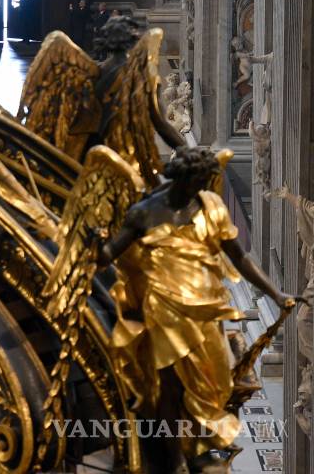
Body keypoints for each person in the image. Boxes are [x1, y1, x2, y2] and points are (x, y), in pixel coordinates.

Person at [98, 147, 303, 473]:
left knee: (214, 381)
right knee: (169, 389)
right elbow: (111, 251)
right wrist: (93, 246)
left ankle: (200, 442)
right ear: (183, 178)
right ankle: (177, 455)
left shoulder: (212, 207)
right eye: (199, 181)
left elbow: (240, 258)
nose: (204, 187)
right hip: (164, 310)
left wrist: (276, 293)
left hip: (206, 310)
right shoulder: (144, 213)